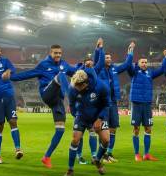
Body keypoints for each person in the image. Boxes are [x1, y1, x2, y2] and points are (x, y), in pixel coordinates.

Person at [7, 40, 102, 168]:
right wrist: (11, 77)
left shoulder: (64, 64)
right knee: (60, 75)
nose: (58, 55)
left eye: (60, 53)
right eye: (55, 53)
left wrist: (88, 64)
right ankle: (70, 96)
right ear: (50, 53)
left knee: (60, 130)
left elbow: (77, 71)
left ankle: (46, 157)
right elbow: (27, 74)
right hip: (47, 93)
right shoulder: (43, 64)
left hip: (57, 100)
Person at [93, 41, 134, 163]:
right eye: (106, 57)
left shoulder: (114, 69)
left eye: (110, 57)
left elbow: (127, 64)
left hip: (113, 102)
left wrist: (130, 51)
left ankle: (109, 153)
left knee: (113, 128)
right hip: (102, 103)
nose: (109, 59)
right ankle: (101, 154)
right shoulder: (98, 69)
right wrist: (99, 49)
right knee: (103, 128)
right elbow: (96, 60)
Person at [64, 69, 111, 176]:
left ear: (85, 83)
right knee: (75, 139)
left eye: (77, 87)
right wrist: (77, 116)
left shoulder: (101, 86)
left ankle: (97, 160)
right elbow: (71, 105)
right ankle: (70, 169)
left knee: (106, 140)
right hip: (81, 116)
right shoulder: (72, 88)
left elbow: (107, 104)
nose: (75, 88)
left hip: (98, 116)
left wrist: (99, 119)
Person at [127, 50, 166, 161]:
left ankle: (146, 154)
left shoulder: (150, 73)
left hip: (147, 104)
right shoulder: (134, 71)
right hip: (136, 103)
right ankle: (137, 154)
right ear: (138, 63)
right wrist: (130, 53)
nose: (144, 64)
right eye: (142, 62)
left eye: (146, 62)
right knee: (136, 129)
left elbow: (163, 69)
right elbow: (127, 65)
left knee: (148, 128)